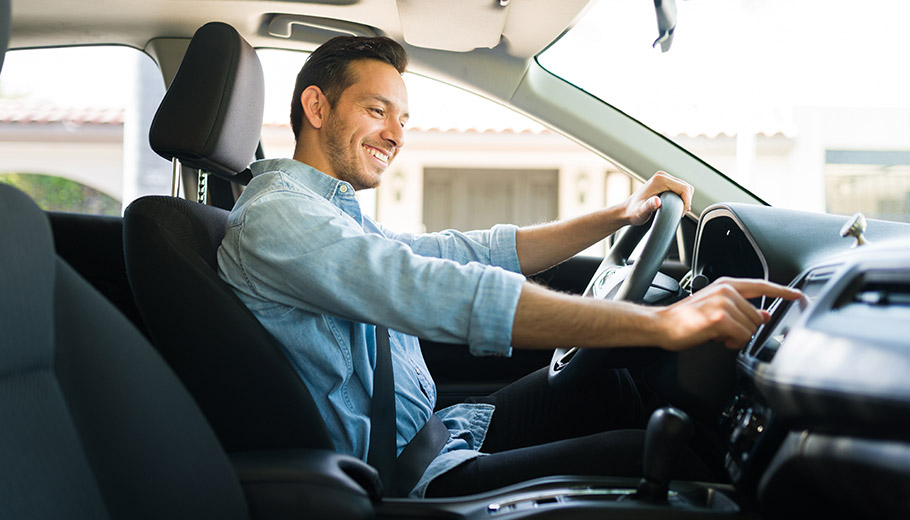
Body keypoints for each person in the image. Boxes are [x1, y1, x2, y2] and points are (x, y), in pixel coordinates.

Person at [217, 36, 800, 498]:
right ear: (317, 106)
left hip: (436, 434)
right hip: (405, 477)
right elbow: (432, 289)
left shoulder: (328, 213)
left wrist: (618, 215)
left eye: (403, 121)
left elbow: (461, 253)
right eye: (377, 111)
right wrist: (663, 323)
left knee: (608, 388)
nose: (395, 136)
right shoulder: (278, 217)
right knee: (653, 459)